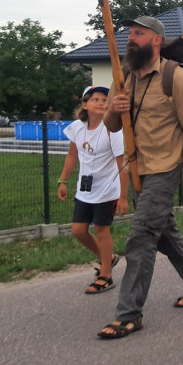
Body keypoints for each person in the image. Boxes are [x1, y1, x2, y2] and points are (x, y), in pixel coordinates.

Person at [97, 16, 183, 339]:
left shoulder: (175, 78)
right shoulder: (127, 77)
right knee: (162, 233)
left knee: (141, 236)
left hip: (166, 167)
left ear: (156, 40)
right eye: (130, 33)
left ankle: (128, 314)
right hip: (138, 168)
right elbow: (113, 126)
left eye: (138, 34)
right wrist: (113, 108)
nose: (130, 39)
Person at [58, 85, 129, 294]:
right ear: (84, 104)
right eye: (95, 99)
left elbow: (122, 164)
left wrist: (123, 196)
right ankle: (109, 258)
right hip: (85, 189)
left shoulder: (113, 129)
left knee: (101, 229)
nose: (101, 103)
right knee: (78, 230)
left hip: (107, 189)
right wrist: (62, 180)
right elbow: (72, 156)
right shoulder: (77, 128)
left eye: (104, 100)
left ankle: (106, 275)